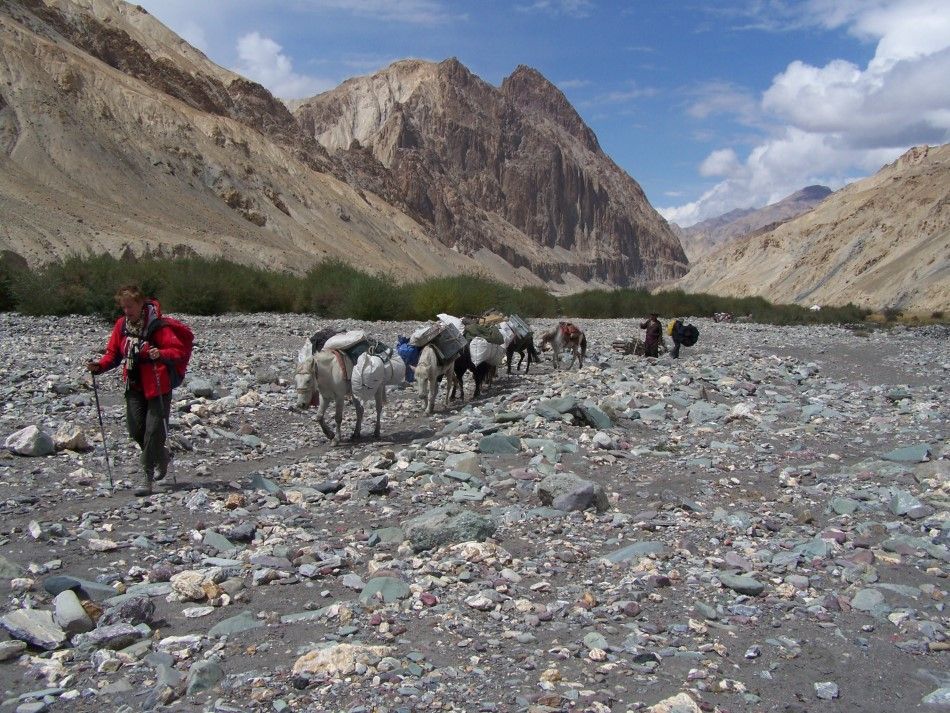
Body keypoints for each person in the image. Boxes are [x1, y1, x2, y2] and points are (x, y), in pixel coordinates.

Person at [87, 286, 186, 496]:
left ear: (141, 304)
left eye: (130, 306)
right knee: (135, 430)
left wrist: (160, 353)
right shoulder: (121, 325)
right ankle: (161, 455)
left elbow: (178, 351)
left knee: (153, 431)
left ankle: (146, 476)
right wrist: (99, 366)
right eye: (123, 307)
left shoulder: (158, 325)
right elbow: (113, 354)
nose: (126, 311)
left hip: (158, 385)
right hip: (133, 384)